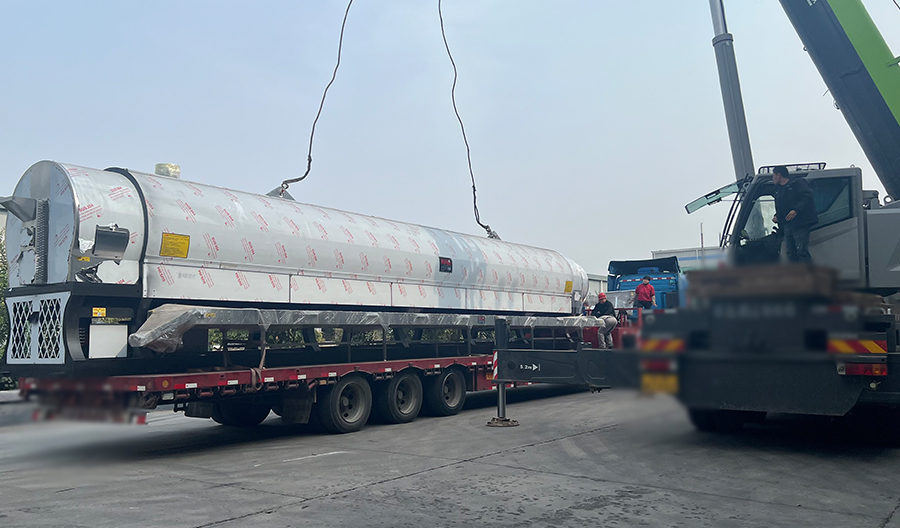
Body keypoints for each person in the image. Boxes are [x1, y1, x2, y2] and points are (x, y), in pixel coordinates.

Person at [772, 165, 818, 263]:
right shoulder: (778, 190)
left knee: (801, 251)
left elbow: (807, 197)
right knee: (790, 253)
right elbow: (783, 207)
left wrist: (796, 210)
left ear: (779, 175)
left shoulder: (797, 183)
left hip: (800, 223)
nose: (773, 178)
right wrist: (777, 216)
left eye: (773, 175)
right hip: (787, 224)